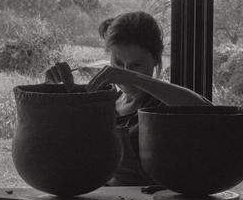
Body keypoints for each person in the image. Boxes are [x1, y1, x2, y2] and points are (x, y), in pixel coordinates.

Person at [45, 11, 212, 186]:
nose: (125, 72)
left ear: (155, 59)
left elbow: (211, 114)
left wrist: (136, 79)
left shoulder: (167, 105)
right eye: (118, 64)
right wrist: (48, 87)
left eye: (136, 65)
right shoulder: (105, 103)